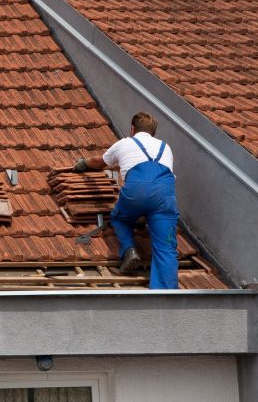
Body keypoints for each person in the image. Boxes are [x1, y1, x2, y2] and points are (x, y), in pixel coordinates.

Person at [73, 111, 179, 289]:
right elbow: (156, 183)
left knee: (119, 218)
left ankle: (129, 249)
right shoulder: (165, 147)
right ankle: (167, 295)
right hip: (164, 196)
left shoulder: (125, 143)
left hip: (136, 192)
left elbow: (100, 162)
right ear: (153, 132)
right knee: (166, 248)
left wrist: (84, 163)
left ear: (132, 129)